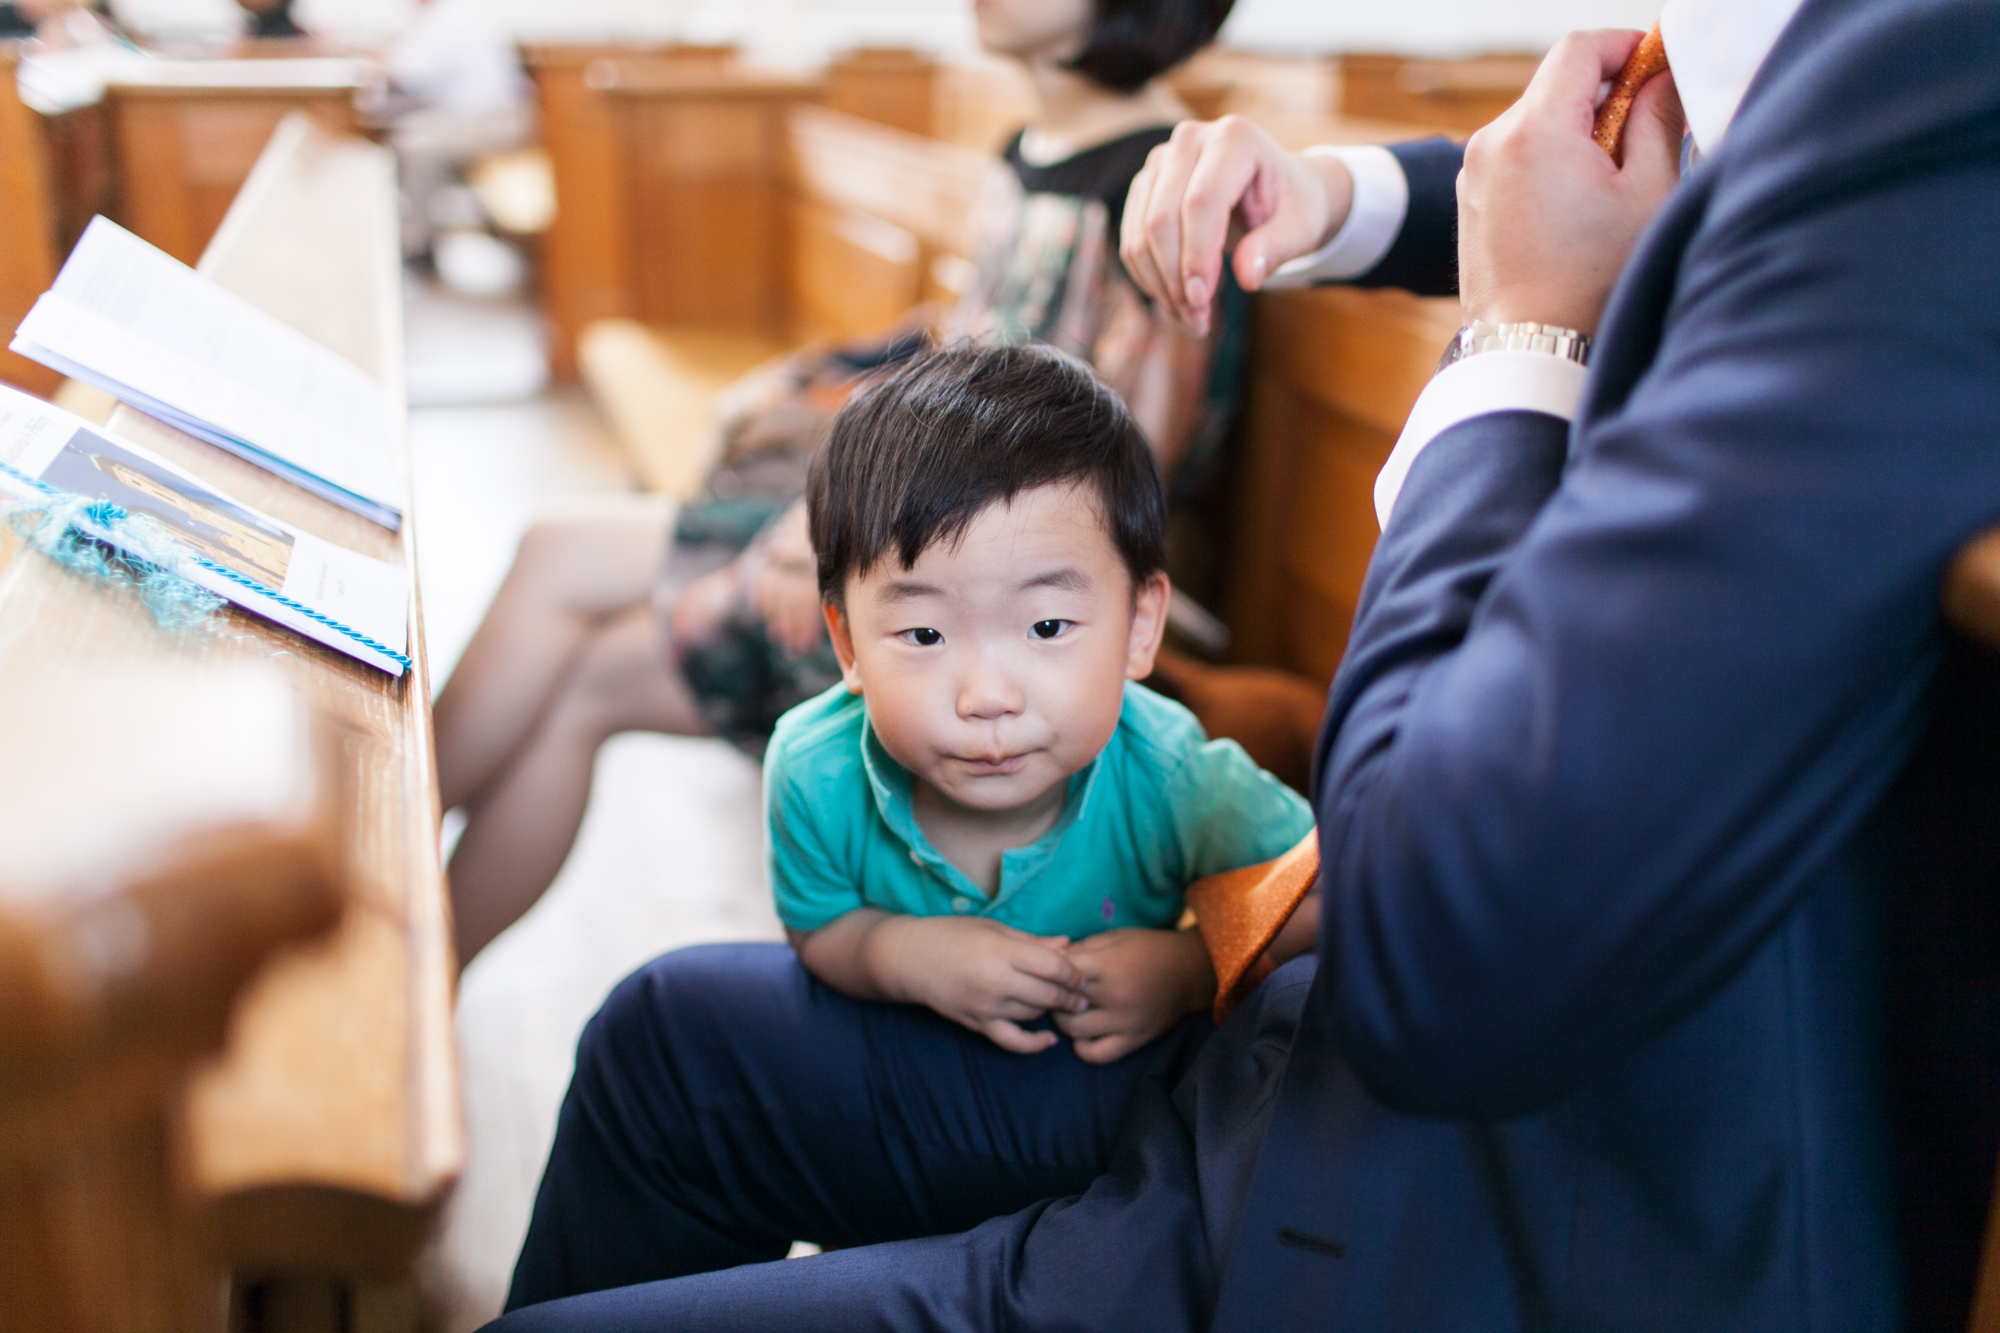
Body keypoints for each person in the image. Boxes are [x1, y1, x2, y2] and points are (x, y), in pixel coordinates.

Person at [482, 0, 2000, 1326]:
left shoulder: (1939, 72)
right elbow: (1699, 172)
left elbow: (1447, 934)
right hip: (1313, 1039)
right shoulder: (1837, 72)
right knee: (663, 1046)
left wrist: (1520, 345)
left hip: (1483, 1199)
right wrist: (1336, 196)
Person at [435, 0, 1239, 966]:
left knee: (585, 674)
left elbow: (1131, 470)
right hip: (908, 533)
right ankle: (389, 905)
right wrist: (801, 396)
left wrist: (817, 522)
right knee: (555, 553)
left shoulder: (1168, 189)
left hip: (974, 615)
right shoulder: (1036, 145)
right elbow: (955, 346)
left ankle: (391, 941)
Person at [764, 344, 1313, 1071]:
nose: (987, 697)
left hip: (1109, 1120)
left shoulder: (1172, 774)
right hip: (892, 1086)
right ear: (848, 644)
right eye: (924, 633)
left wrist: (1189, 970)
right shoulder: (815, 770)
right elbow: (818, 925)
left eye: (1047, 627)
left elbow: (1320, 899)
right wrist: (898, 954)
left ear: (1140, 626)